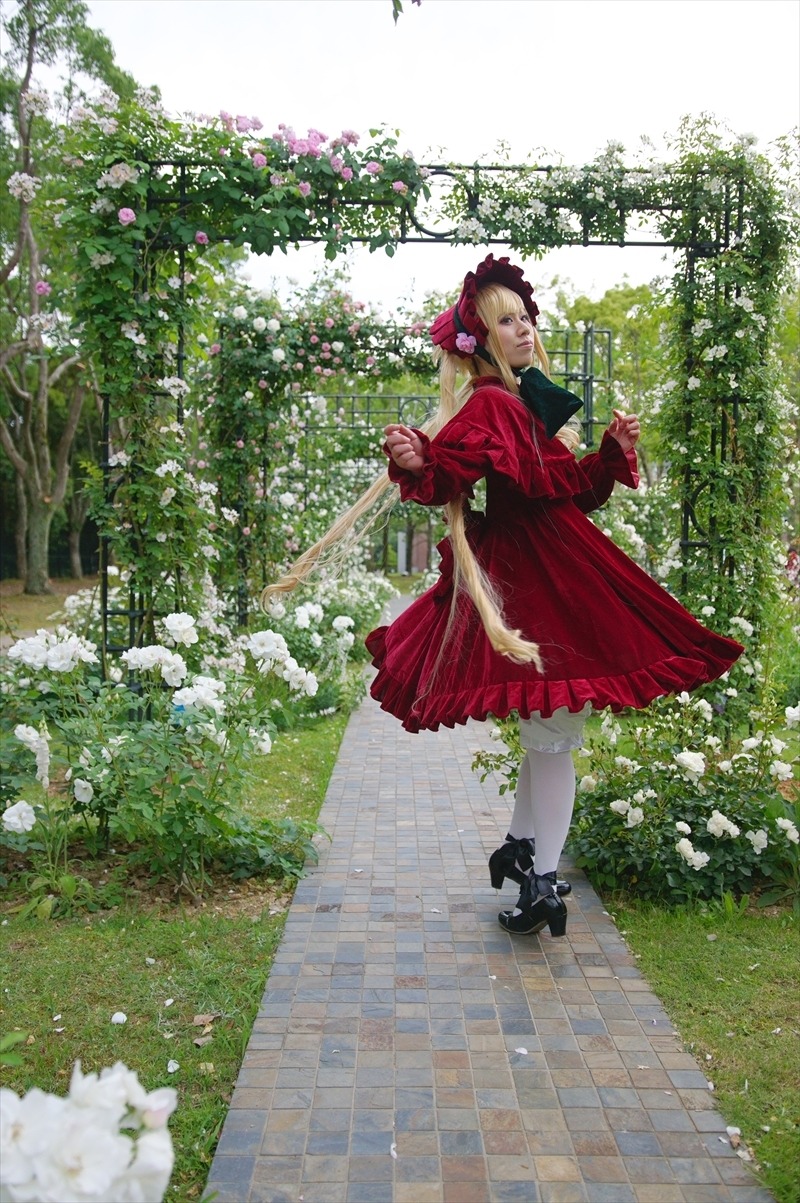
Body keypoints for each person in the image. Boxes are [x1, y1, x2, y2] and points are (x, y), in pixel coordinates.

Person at [264, 254, 744, 940]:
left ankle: (523, 850)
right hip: (543, 576)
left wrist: (608, 453)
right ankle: (543, 878)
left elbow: (566, 489)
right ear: (481, 337)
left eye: (525, 317)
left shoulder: (522, 399)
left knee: (549, 727)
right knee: (554, 736)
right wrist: (417, 460)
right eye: (507, 320)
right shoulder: (491, 402)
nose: (524, 329)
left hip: (557, 566)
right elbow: (450, 472)